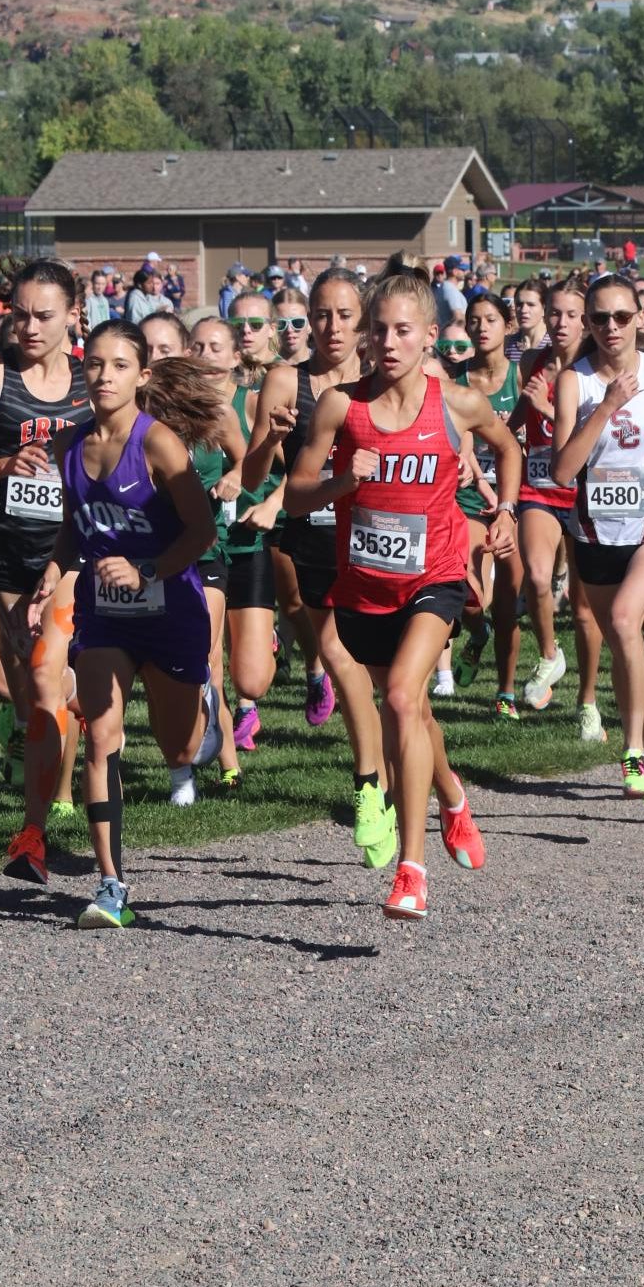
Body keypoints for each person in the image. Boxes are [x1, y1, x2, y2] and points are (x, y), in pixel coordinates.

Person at [285, 267, 520, 920]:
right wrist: (340, 483)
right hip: (363, 589)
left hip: (436, 576)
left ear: (430, 336)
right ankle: (453, 793)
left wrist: (504, 510)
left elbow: (508, 448)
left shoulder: (457, 402)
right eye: (378, 329)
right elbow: (296, 494)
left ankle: (411, 870)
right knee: (410, 711)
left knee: (398, 697)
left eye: (402, 330)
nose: (388, 342)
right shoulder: (342, 406)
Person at [26, 324, 223, 928]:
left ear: (141, 375)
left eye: (118, 365)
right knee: (101, 735)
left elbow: (203, 532)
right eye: (94, 365)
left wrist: (147, 570)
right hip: (105, 615)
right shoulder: (69, 447)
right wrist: (52, 570)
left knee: (181, 747)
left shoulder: (159, 443)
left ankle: (206, 712)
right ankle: (111, 883)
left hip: (171, 610)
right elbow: (74, 526)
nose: (104, 376)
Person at [0, 259, 94, 884]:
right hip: (3, 554)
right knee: (14, 689)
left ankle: (34, 831)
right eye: (19, 314)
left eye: (44, 315)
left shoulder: (95, 385)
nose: (29, 327)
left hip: (69, 560)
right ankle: (46, 778)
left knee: (45, 686)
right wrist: (5, 466)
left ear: (73, 317)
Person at [251, 266, 397, 867]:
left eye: (343, 315)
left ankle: (426, 791)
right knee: (341, 661)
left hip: (380, 543)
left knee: (393, 684)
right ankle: (371, 788)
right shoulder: (287, 380)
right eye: (320, 315)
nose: (331, 327)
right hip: (313, 542)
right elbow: (255, 473)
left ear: (362, 319)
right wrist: (270, 439)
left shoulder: (383, 379)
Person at [551, 274, 644, 808]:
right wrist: (607, 407)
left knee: (621, 621)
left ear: (639, 319)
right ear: (586, 324)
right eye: (598, 318)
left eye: (620, 317)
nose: (610, 327)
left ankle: (635, 748)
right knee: (623, 645)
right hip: (595, 531)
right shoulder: (575, 382)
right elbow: (565, 471)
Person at [142, 312, 252, 796]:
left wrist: (234, 477)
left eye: (163, 350)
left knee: (206, 654)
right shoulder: (134, 422)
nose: (153, 360)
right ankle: (181, 769)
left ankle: (224, 760)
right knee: (159, 668)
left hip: (207, 551)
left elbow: (247, 459)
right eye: (145, 351)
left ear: (183, 352)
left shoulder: (218, 413)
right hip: (151, 555)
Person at [496, 275, 605, 740]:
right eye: (554, 312)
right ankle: (548, 655)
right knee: (538, 577)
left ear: (586, 321)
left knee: (584, 611)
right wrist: (495, 432)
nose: (560, 322)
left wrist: (547, 408)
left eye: (571, 315)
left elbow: (596, 431)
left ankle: (588, 702)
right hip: (539, 486)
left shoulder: (592, 370)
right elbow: (521, 414)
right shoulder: (535, 361)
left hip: (584, 490)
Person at [189, 316, 281, 756]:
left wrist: (239, 476)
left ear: (234, 356)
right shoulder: (176, 408)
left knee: (253, 678)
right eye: (197, 346)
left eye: (215, 347)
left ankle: (268, 640)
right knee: (209, 656)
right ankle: (219, 744)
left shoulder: (249, 403)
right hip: (207, 551)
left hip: (246, 542)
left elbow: (272, 462)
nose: (205, 355)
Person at [451, 292, 514, 688]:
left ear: (506, 326)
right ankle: (477, 632)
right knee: (472, 592)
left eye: (490, 319)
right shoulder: (453, 378)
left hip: (515, 495)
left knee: (513, 598)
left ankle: (513, 684)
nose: (481, 327)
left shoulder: (521, 377)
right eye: (474, 320)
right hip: (469, 496)